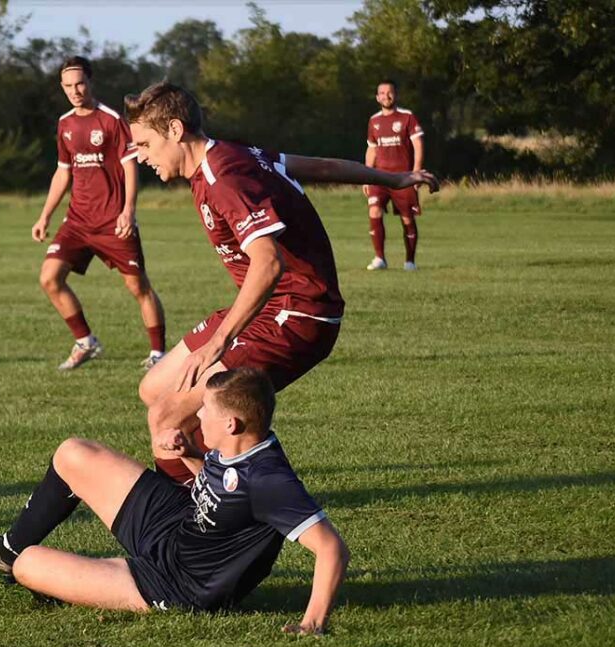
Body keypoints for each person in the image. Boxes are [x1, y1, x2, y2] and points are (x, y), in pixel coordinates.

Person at [125, 82, 439, 484]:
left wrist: (218, 344)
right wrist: (392, 179)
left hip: (299, 315)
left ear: (173, 129)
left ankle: (196, 517)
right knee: (155, 390)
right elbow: (323, 168)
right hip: (271, 308)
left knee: (168, 417)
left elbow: (268, 263)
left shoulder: (225, 176)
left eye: (145, 144)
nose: (141, 156)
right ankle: (220, 487)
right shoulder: (235, 153)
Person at [0, 367, 349, 633]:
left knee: (31, 566)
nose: (199, 416)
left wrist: (312, 623)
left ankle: (49, 573)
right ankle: (7, 548)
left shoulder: (270, 479)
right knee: (74, 453)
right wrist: (189, 454)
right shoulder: (240, 445)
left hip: (178, 583)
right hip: (177, 525)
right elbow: (226, 497)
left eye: (206, 410)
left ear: (231, 422)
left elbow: (331, 548)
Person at [31, 56, 167, 371]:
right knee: (49, 278)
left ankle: (158, 353)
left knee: (138, 287)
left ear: (90, 82)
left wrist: (128, 211)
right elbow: (63, 172)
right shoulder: (65, 123)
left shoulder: (111, 120)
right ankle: (86, 341)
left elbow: (130, 165)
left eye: (80, 83)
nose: (75, 91)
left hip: (112, 221)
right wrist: (44, 216)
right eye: (68, 86)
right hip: (77, 221)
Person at [363, 79, 426, 271]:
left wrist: (416, 172)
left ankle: (410, 261)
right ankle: (379, 258)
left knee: (407, 218)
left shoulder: (407, 117)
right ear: (377, 97)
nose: (386, 96)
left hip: (403, 177)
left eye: (389, 92)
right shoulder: (374, 121)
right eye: (382, 93)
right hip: (379, 176)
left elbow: (418, 145)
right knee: (374, 210)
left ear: (395, 95)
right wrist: (366, 174)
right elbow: (371, 149)